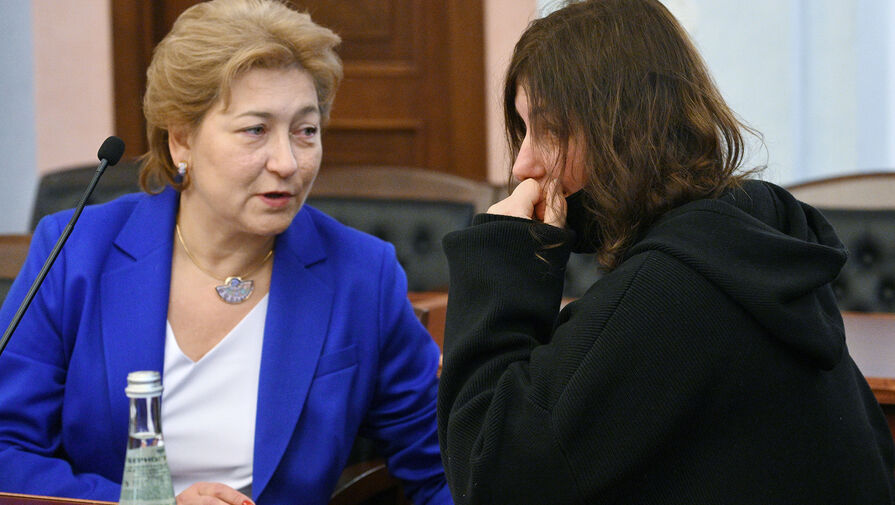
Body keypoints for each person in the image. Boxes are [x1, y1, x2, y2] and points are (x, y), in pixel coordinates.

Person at [437, 1, 895, 503]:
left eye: (549, 129)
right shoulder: (742, 232)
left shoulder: (675, 286)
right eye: (524, 130)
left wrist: (504, 257)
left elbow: (489, 475)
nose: (523, 164)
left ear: (624, 127)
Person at [0, 1, 451, 504]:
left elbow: (443, 467)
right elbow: (6, 448)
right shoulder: (76, 252)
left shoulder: (361, 275)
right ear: (181, 140)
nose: (287, 162)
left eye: (305, 131)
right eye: (255, 130)